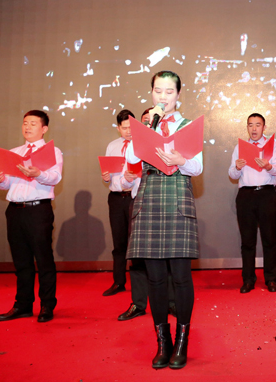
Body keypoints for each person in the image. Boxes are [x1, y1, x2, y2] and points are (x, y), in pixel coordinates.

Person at [125, 71, 203, 369]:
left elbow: (197, 167)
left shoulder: (188, 126)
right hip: (149, 198)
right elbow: (132, 161)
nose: (163, 96)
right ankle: (163, 342)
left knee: (181, 277)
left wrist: (181, 161)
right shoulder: (146, 124)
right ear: (152, 93)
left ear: (178, 95)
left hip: (177, 196)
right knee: (155, 277)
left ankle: (182, 342)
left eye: (169, 92)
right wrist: (147, 127)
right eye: (158, 91)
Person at [0, 110, 63, 323]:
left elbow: (55, 177)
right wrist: (0, 180)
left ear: (44, 128)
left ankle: (47, 305)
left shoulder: (53, 151)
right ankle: (22, 305)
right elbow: (7, 184)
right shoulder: (15, 152)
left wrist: (38, 174)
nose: (28, 127)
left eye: (33, 123)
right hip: (15, 210)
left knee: (43, 259)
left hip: (38, 210)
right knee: (21, 261)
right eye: (25, 123)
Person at [117, 107, 177, 322]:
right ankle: (138, 303)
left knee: (168, 255)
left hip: (164, 203)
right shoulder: (134, 147)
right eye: (145, 121)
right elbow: (123, 183)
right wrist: (127, 178)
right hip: (139, 204)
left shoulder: (167, 143)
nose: (149, 123)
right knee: (138, 257)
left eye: (153, 119)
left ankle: (171, 302)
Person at [228, 113, 276, 293]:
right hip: (246, 195)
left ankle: (271, 279)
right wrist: (237, 167)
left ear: (264, 127)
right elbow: (232, 174)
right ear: (247, 127)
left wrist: (268, 166)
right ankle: (248, 279)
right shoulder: (240, 147)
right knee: (247, 240)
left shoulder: (273, 145)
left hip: (266, 194)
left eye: (257, 125)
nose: (254, 128)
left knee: (269, 239)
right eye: (250, 125)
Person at [101, 109, 137, 297]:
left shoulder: (141, 146)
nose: (128, 131)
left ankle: (141, 283)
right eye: (124, 128)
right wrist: (106, 177)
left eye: (131, 127)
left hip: (134, 197)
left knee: (137, 243)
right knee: (119, 242)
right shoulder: (112, 146)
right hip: (116, 197)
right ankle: (118, 281)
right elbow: (108, 173)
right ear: (118, 128)